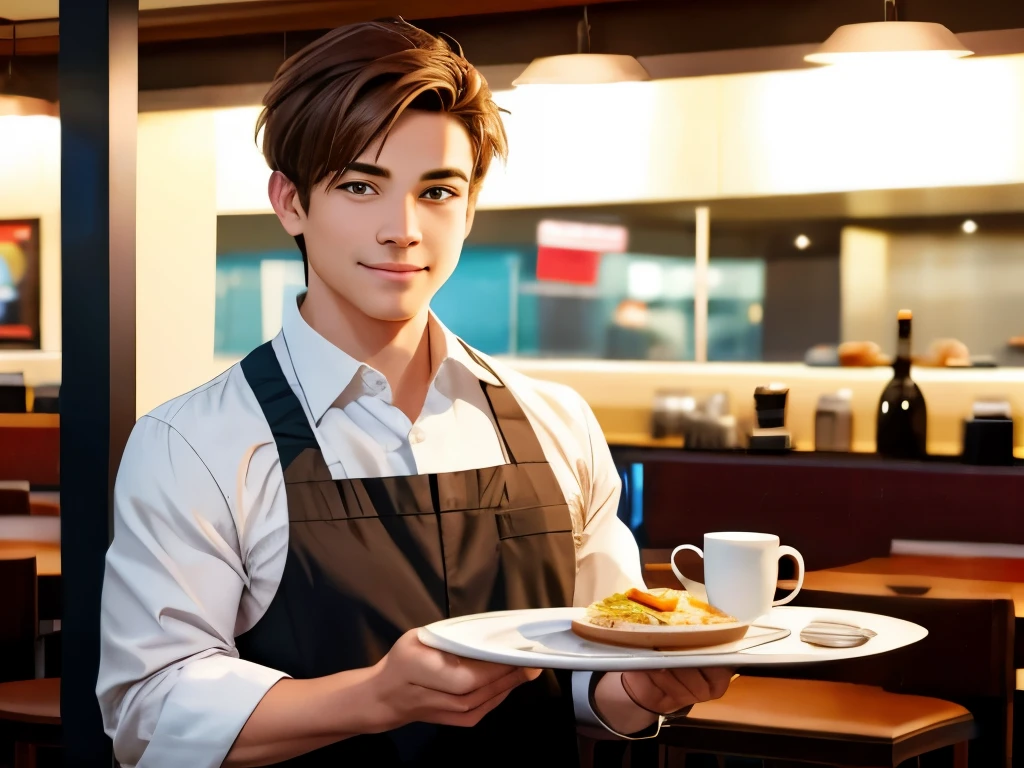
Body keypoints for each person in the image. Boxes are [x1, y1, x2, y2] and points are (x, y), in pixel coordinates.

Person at [96, 18, 733, 768]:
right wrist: (377, 696)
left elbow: (594, 666)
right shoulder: (194, 443)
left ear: (469, 206)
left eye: (436, 191)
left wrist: (648, 687)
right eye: (361, 186)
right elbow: (148, 710)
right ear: (291, 202)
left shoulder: (555, 421)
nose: (402, 230)